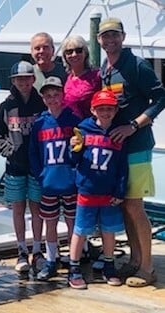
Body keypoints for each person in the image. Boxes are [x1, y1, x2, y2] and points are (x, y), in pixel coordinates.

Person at [98, 17, 165, 287]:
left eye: (115, 35)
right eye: (106, 36)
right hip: (117, 148)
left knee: (135, 206)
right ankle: (135, 260)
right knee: (125, 205)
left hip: (136, 146)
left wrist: (133, 126)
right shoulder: (107, 66)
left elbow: (161, 97)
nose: (110, 40)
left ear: (123, 37)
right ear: (100, 40)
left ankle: (147, 268)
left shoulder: (136, 65)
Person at [67, 90, 128, 289]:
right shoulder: (83, 130)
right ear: (93, 110)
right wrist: (73, 148)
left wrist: (120, 191)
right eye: (101, 109)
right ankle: (74, 267)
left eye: (109, 109)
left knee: (109, 231)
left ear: (115, 110)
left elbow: (122, 167)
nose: (105, 112)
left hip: (109, 193)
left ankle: (108, 265)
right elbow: (73, 160)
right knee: (81, 230)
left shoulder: (118, 134)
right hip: (87, 191)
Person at [0, 61, 47, 274]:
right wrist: (9, 150)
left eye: (26, 78)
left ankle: (37, 250)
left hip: (36, 167)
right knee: (18, 208)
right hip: (15, 167)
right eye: (18, 79)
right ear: (13, 81)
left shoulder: (41, 104)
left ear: (33, 79)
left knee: (37, 208)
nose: (23, 82)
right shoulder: (6, 106)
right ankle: (21, 250)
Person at [29, 76, 81, 281]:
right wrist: (39, 175)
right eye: (48, 96)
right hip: (49, 182)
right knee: (50, 223)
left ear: (63, 95)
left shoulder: (74, 119)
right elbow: (33, 153)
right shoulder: (39, 123)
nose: (52, 99)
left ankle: (74, 260)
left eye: (56, 95)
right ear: (43, 99)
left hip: (70, 182)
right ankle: (51, 260)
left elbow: (80, 150)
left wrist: (76, 169)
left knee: (72, 222)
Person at [61, 35, 101, 119]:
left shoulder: (96, 76)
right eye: (69, 52)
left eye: (78, 50)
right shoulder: (66, 79)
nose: (74, 54)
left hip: (90, 127)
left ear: (85, 53)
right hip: (69, 127)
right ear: (65, 56)